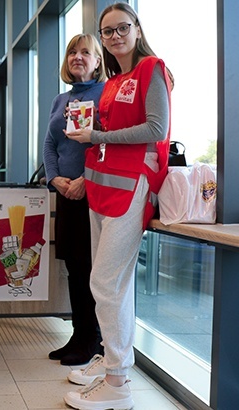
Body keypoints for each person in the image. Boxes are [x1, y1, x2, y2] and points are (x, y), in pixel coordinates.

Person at [63, 3, 172, 410]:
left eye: (122, 28)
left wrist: (96, 136)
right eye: (107, 31)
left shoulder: (152, 69)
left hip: (131, 186)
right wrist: (92, 136)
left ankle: (118, 381)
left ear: (137, 29)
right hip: (100, 187)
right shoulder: (112, 81)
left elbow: (156, 129)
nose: (114, 36)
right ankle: (111, 361)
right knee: (114, 284)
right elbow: (104, 135)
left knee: (105, 283)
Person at [43, 33, 106, 366]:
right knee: (73, 268)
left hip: (94, 196)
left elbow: (107, 145)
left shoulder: (105, 96)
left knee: (91, 270)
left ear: (98, 61)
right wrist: (55, 178)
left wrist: (86, 179)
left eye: (86, 52)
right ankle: (79, 335)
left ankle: (93, 340)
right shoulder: (60, 99)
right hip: (66, 194)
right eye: (72, 52)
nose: (78, 57)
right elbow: (49, 145)